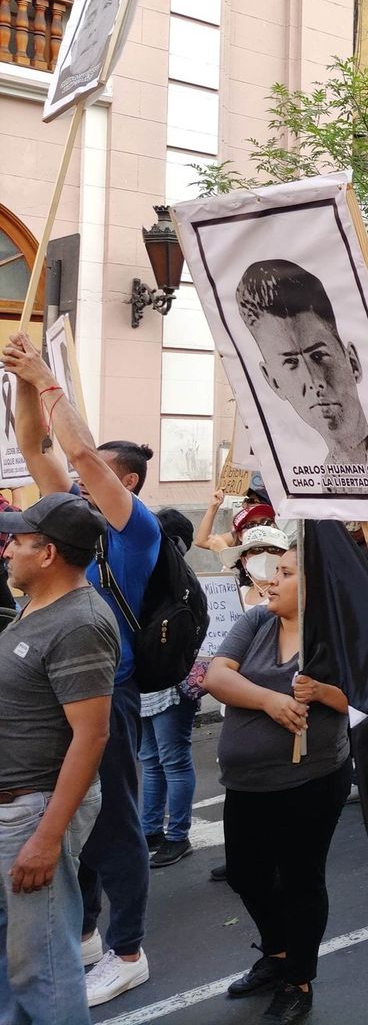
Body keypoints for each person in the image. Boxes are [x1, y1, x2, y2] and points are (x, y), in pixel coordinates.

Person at [3, 332, 157, 1006]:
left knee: (113, 821)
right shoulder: (70, 522)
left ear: (121, 483)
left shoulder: (134, 530)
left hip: (106, 690)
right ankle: (86, 926)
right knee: (71, 819)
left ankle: (128, 950)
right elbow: (37, 447)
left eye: (91, 472)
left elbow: (78, 451)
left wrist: (47, 377)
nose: (73, 474)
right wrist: (19, 382)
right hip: (54, 691)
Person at [202, 545, 349, 1025]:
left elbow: (367, 694)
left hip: (310, 780)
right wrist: (269, 700)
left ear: (311, 589)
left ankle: (298, 980)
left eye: (285, 573)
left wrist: (322, 692)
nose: (271, 580)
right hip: (246, 782)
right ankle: (279, 952)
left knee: (301, 879)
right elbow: (217, 676)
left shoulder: (334, 634)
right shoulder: (256, 623)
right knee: (246, 874)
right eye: (275, 571)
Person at [0, 494, 118, 1025]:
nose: (7, 552)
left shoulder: (78, 624)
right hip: (19, 806)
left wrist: (46, 839)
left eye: (17, 543)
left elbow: (91, 737)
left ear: (47, 554)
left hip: (33, 812)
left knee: (42, 966)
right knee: (15, 960)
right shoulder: (39, 605)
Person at [234, 259, 368, 494]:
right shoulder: (312, 489)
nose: (313, 381)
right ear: (274, 382)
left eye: (319, 356)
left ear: (352, 361)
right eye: (291, 362)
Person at [138, 510, 203, 872]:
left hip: (172, 682)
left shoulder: (180, 582)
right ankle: (150, 830)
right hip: (147, 683)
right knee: (150, 760)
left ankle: (178, 835)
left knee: (173, 759)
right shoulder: (150, 575)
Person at [54, 0, 125, 100]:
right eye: (91, 14)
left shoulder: (110, 53)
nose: (96, 23)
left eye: (107, 4)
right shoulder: (70, 70)